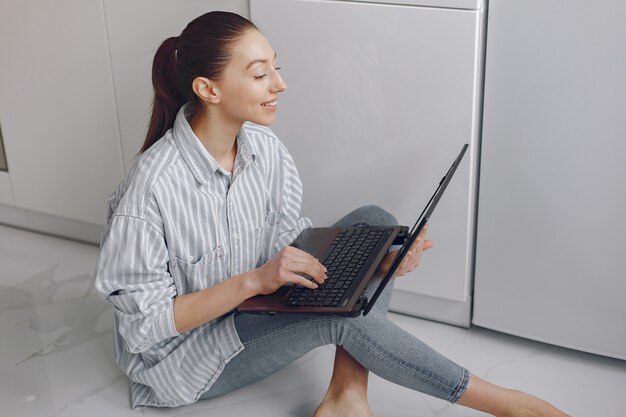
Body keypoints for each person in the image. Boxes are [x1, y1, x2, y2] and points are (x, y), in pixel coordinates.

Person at [94, 11, 569, 417]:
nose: (279, 84)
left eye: (276, 69)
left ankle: (346, 393)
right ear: (208, 89)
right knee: (343, 318)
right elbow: (143, 328)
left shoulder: (262, 147)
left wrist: (376, 262)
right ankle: (510, 405)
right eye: (260, 75)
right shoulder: (151, 189)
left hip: (258, 303)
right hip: (186, 358)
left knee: (374, 221)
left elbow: (289, 240)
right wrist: (256, 281)